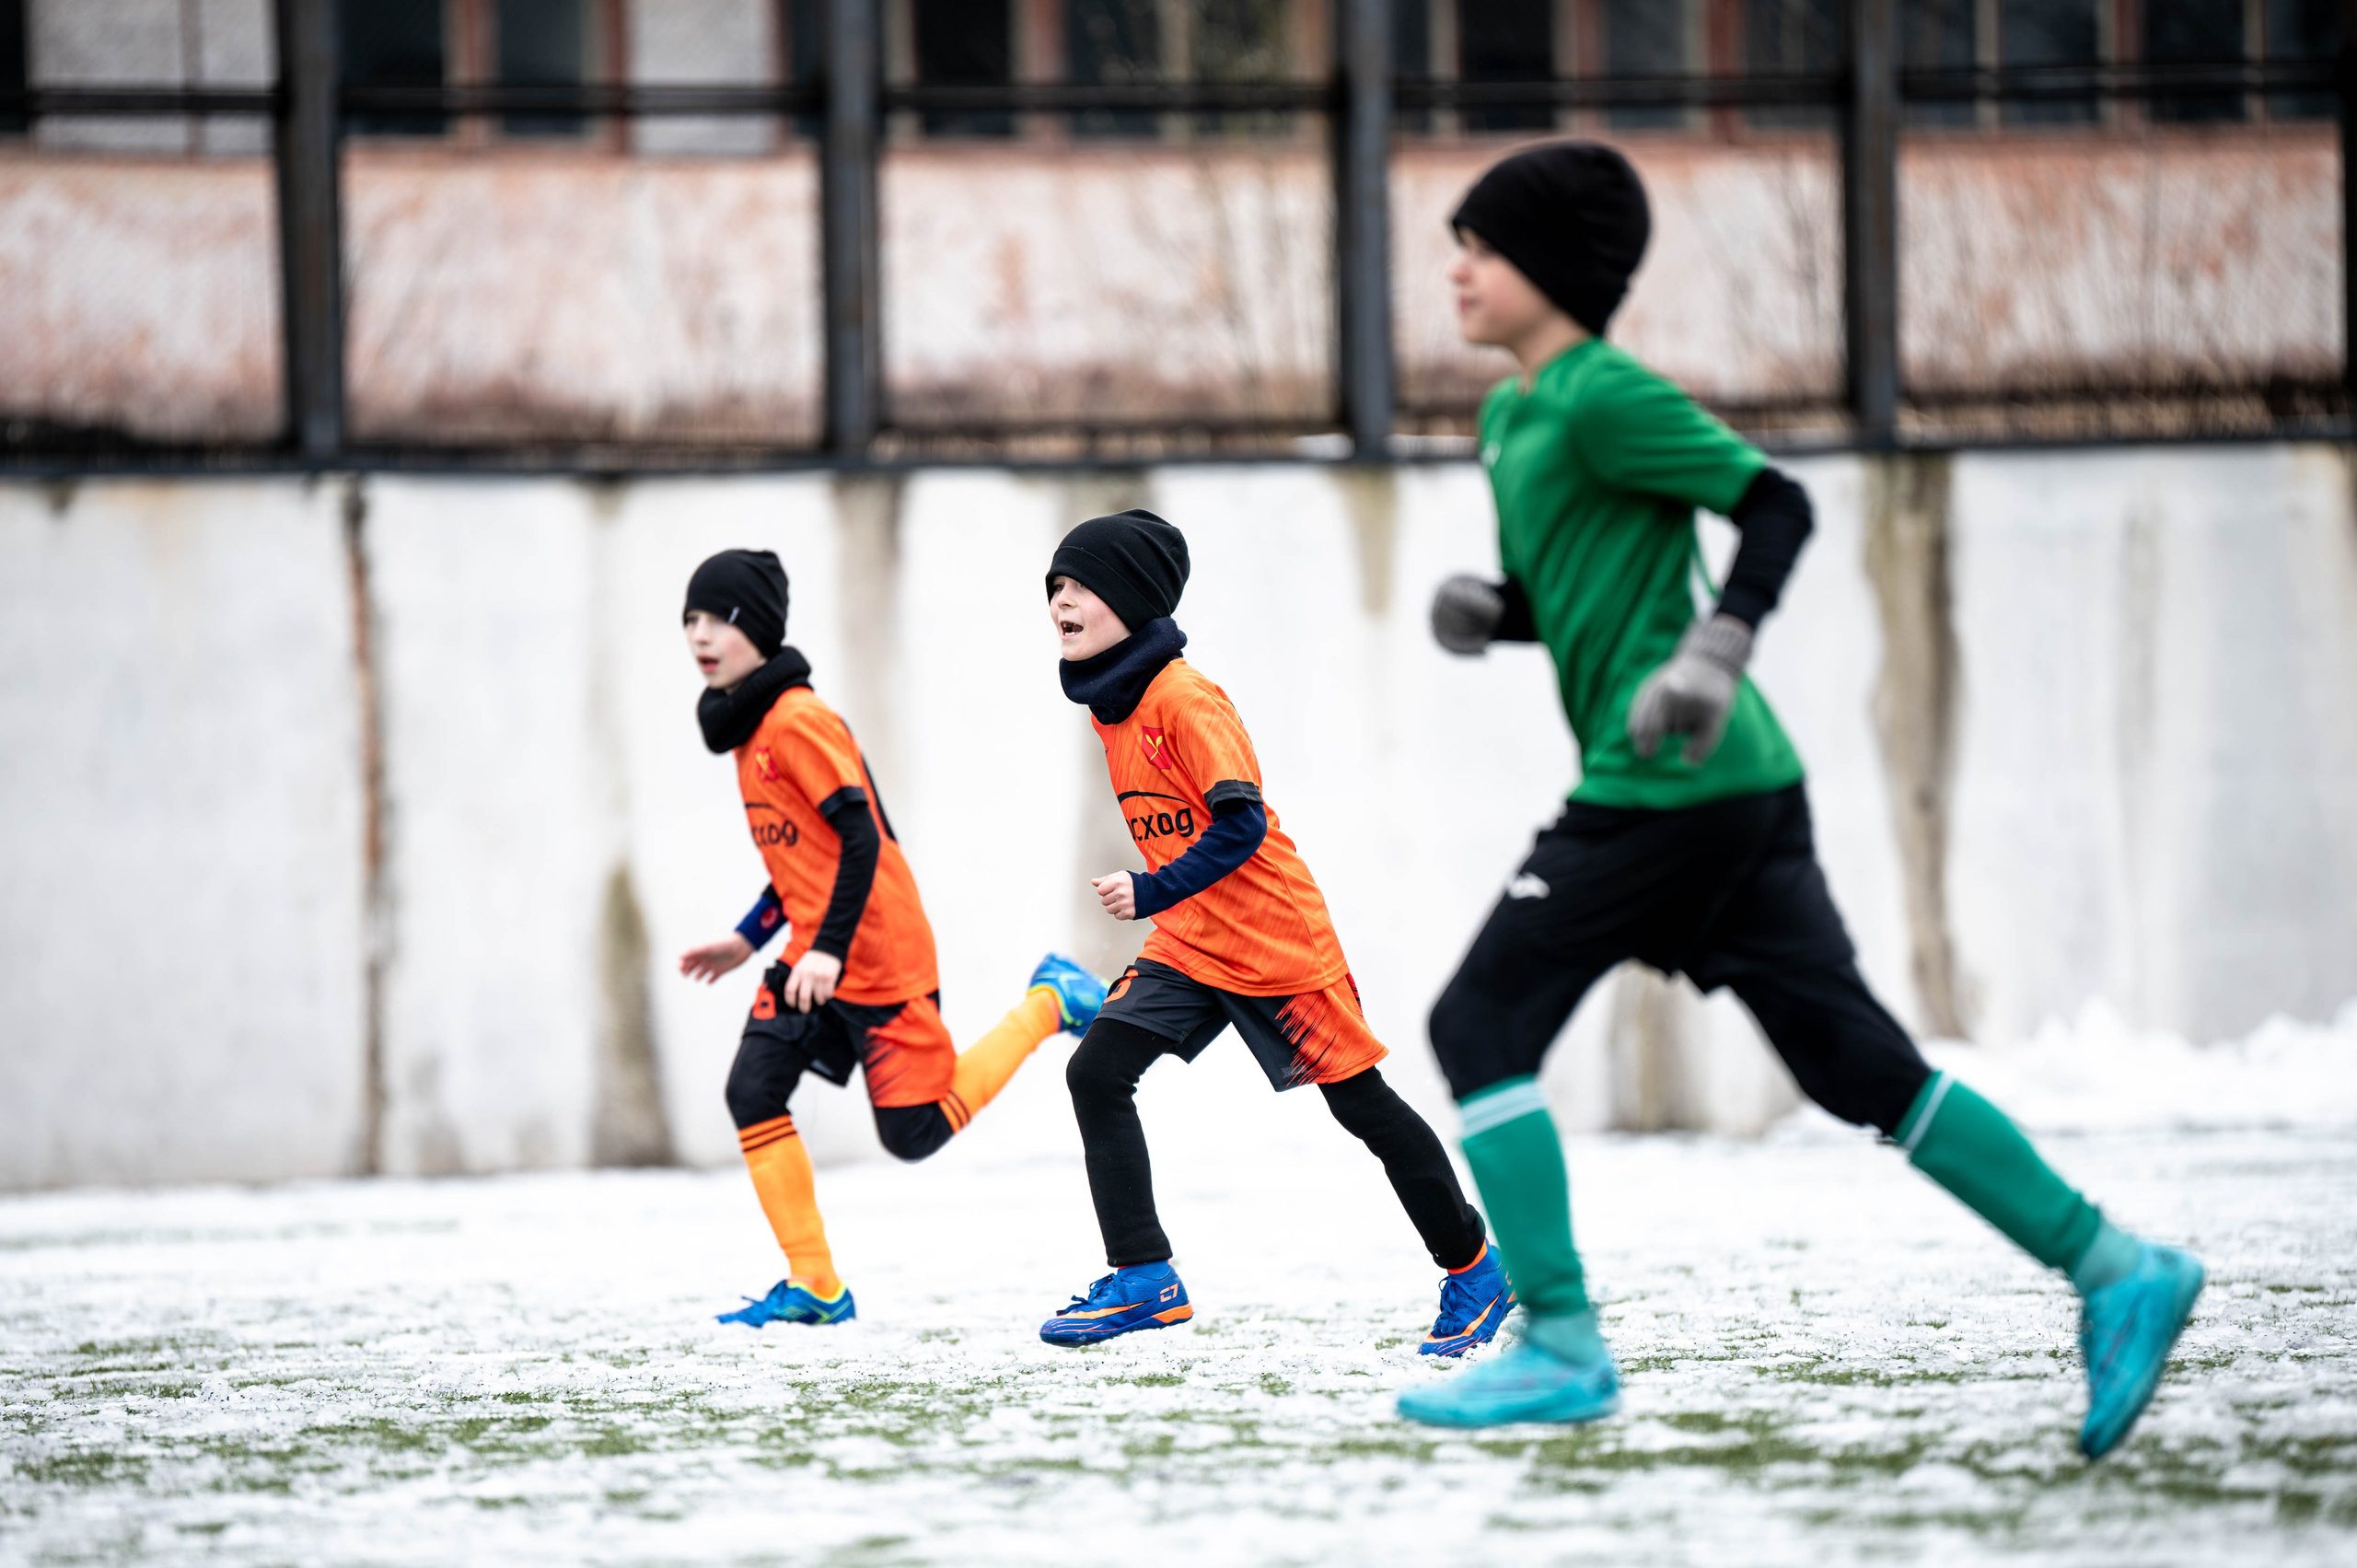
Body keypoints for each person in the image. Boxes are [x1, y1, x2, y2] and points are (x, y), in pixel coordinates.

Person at [1399, 143, 2202, 1459]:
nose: (1457, 270)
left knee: (1476, 1018)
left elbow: (1772, 505)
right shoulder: (1511, 418)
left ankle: (1558, 1338)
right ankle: (2118, 1264)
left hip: (1673, 784)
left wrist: (1717, 653)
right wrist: (1503, 616)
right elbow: (1594, 593)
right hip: (1735, 792)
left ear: (1549, 270)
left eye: (1479, 247)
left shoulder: (1604, 396)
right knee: (1860, 1067)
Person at [1035, 509, 1514, 1355]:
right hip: (1191, 943)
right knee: (1097, 1072)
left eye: (1080, 586)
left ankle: (1475, 1265)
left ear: (1133, 601)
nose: (1061, 601)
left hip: (1273, 941)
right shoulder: (1112, 708)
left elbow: (1241, 826)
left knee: (1362, 1108)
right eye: (1055, 588)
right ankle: (1145, 1276)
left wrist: (1152, 888)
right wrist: (1168, 903)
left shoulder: (1184, 698)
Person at [675, 547, 1107, 1329]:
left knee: (914, 1132)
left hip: (873, 955)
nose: (701, 635)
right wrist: (748, 939)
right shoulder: (748, 734)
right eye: (690, 621)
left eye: (720, 619)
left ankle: (1051, 1001)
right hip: (817, 952)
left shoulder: (797, 720)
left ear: (761, 630)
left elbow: (860, 841)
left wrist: (829, 950)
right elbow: (802, 858)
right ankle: (815, 1284)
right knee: (752, 1090)